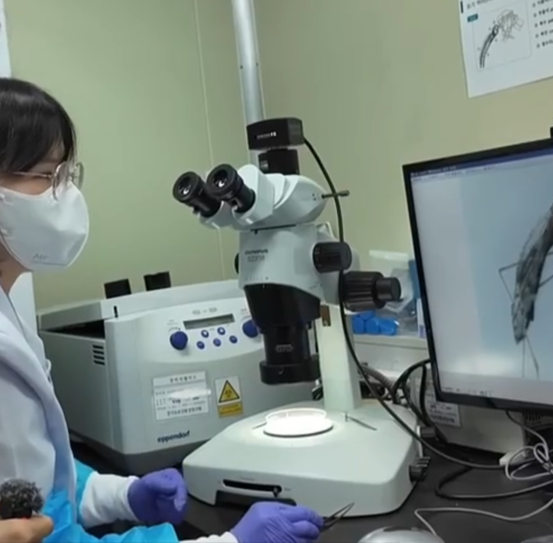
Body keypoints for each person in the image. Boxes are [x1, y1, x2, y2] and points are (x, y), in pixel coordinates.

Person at [0, 77, 325, 543]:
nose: (66, 195)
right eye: (49, 176)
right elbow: (37, 533)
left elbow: (40, 485)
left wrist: (122, 496)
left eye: (69, 176)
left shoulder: (9, 314)